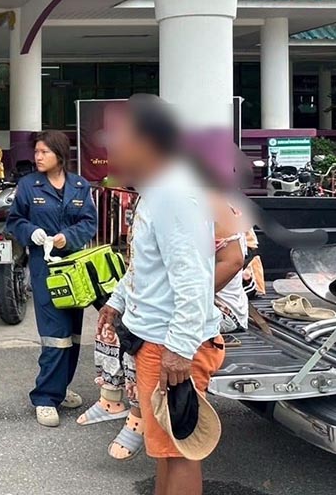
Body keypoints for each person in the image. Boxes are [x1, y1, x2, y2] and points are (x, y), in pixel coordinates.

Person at [96, 94, 225, 495]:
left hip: (170, 345)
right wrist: (117, 302)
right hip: (156, 341)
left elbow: (193, 279)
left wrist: (180, 349)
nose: (112, 145)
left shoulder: (173, 193)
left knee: (179, 451)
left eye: (120, 135)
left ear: (146, 141)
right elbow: (148, 267)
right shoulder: (159, 189)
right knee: (165, 449)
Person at [6, 130, 97, 427]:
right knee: (54, 334)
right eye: (36, 151)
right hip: (45, 268)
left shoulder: (80, 186)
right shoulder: (28, 185)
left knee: (72, 333)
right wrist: (31, 232)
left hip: (74, 268)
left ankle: (60, 387)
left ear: (60, 154)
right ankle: (45, 398)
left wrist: (68, 237)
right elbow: (14, 221)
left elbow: (89, 223)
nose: (38, 156)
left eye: (44, 152)